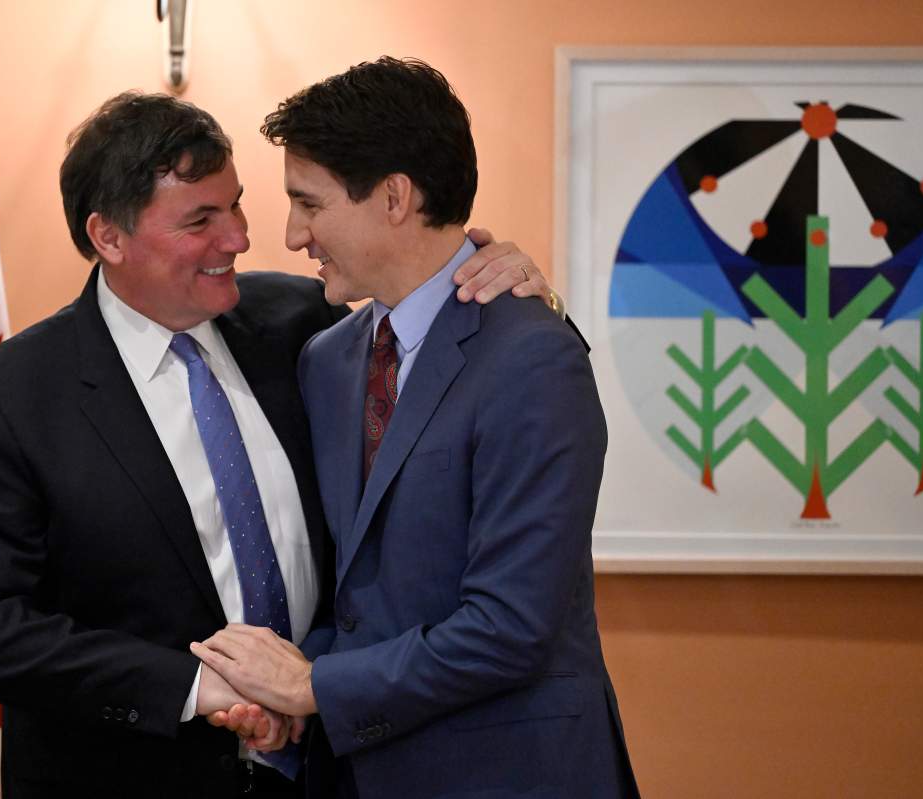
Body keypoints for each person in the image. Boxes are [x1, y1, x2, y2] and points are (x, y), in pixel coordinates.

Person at [0, 90, 558, 798]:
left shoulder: (298, 324)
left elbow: (422, 290)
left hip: (329, 771)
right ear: (109, 237)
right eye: (201, 220)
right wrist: (194, 685)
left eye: (236, 205)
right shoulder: (14, 395)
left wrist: (504, 268)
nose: (241, 238)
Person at [192, 57, 639, 799]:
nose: (293, 234)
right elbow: (361, 595)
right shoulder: (327, 359)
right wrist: (293, 704)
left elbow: (510, 626)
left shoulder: (534, 356)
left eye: (309, 203)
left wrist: (315, 685)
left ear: (395, 196)